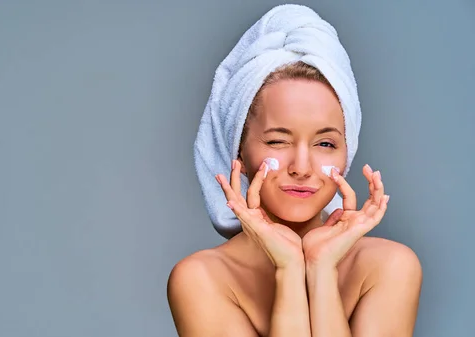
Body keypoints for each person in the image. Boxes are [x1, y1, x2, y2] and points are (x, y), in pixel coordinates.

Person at [167, 5, 422, 337]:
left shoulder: (389, 267)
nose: (301, 168)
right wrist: (288, 269)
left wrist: (321, 268)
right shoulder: (200, 278)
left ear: (347, 154)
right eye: (277, 141)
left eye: (325, 144)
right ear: (239, 152)